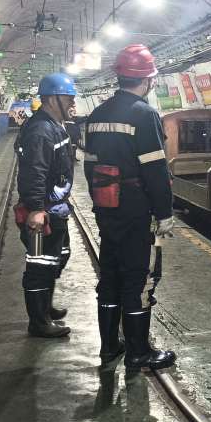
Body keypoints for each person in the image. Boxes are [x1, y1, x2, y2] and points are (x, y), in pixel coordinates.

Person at [84, 44, 176, 372]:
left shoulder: (97, 114)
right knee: (139, 277)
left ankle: (110, 347)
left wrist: (102, 200)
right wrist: (164, 213)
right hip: (136, 210)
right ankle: (138, 353)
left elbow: (89, 165)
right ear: (148, 80)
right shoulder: (144, 114)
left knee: (110, 274)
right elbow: (155, 170)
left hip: (106, 206)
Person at [15, 73, 77, 338]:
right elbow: (34, 172)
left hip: (55, 210)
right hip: (42, 214)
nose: (73, 102)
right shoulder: (41, 130)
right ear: (52, 99)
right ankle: (38, 322)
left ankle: (45, 308)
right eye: (68, 97)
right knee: (39, 264)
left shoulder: (53, 125)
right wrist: (36, 209)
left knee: (57, 257)